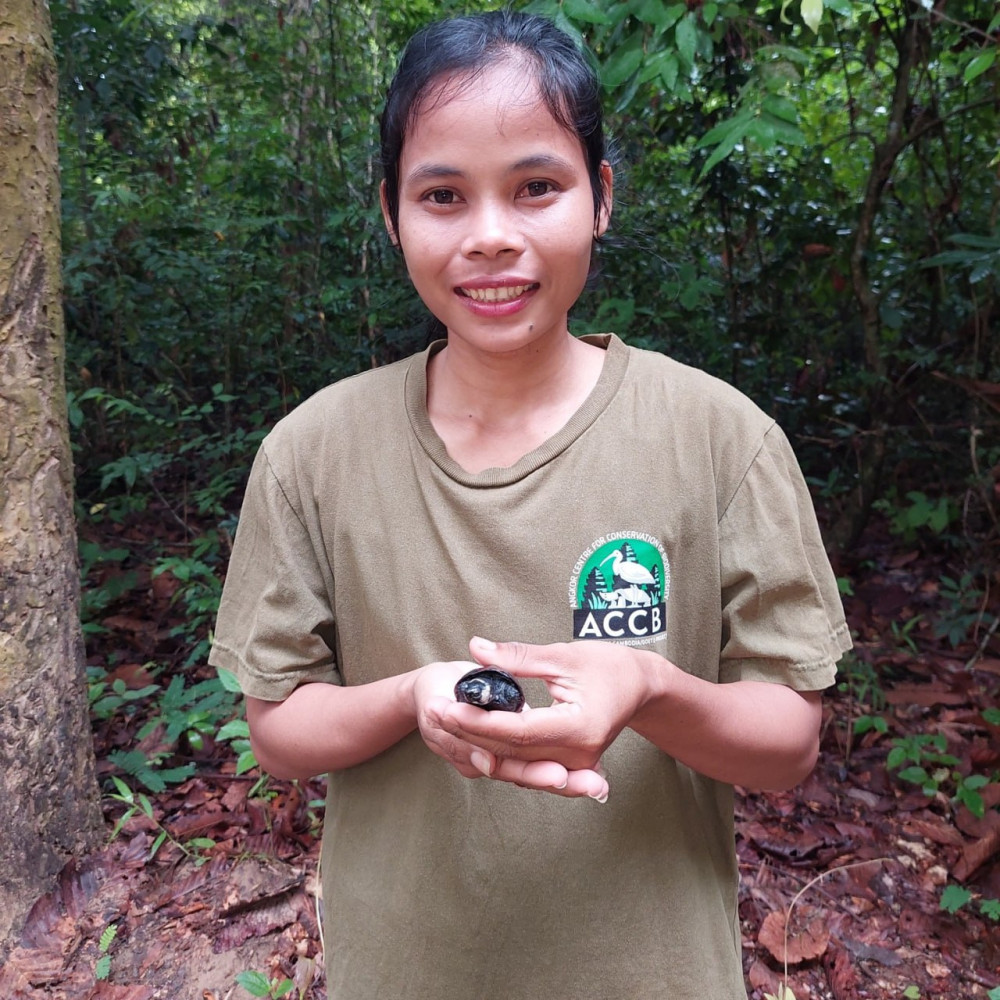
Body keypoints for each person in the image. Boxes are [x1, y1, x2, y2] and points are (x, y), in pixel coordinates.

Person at [208, 9, 852, 999]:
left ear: (601, 197)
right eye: (443, 196)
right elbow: (279, 728)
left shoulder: (720, 439)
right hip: (406, 973)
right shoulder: (312, 455)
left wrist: (651, 690)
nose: (491, 237)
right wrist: (416, 696)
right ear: (391, 213)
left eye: (536, 187)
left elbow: (786, 743)